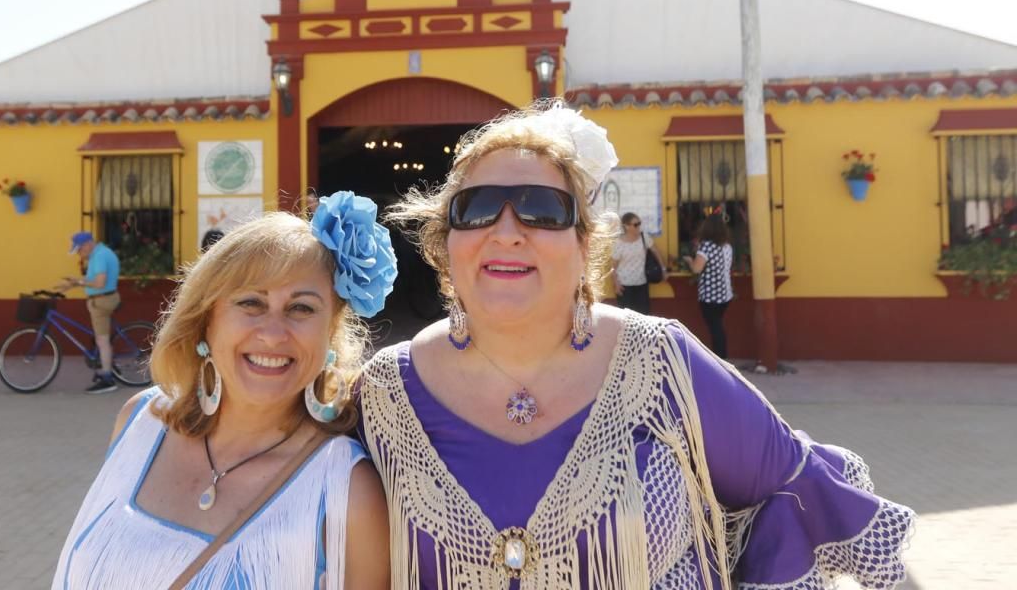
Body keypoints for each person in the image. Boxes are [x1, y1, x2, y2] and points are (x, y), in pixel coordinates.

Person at [364, 101, 914, 589]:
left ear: (584, 244)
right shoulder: (386, 392)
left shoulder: (662, 361)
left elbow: (803, 483)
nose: (507, 230)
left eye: (541, 208)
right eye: (478, 207)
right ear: (445, 242)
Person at [53, 199, 394, 589]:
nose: (273, 332)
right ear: (205, 323)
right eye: (251, 302)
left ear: (329, 335)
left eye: (301, 308)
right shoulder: (139, 422)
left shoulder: (348, 493)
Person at [57, 231, 122, 394]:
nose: (79, 254)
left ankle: (108, 378)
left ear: (87, 245)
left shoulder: (99, 256)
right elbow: (94, 280)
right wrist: (73, 284)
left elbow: (100, 283)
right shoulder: (100, 253)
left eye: (79, 250)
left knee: (102, 340)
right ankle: (107, 366)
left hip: (102, 301)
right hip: (104, 298)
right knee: (100, 339)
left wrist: (78, 282)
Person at [683, 213, 734, 359]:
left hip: (710, 296)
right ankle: (722, 357)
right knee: (718, 326)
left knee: (715, 328)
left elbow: (696, 269)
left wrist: (688, 260)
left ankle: (720, 359)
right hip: (726, 294)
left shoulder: (706, 247)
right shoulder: (727, 246)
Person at [609, 212, 664, 315]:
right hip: (624, 285)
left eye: (639, 223)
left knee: (644, 315)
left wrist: (663, 269)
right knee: (627, 318)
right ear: (626, 226)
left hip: (641, 283)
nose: (638, 226)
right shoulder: (618, 243)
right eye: (635, 224)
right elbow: (613, 266)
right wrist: (615, 283)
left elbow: (656, 252)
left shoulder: (644, 237)